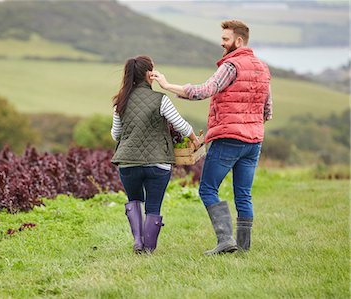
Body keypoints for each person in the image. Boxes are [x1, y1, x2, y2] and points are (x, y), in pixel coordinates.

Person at [151, 20, 272, 255]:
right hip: (254, 140)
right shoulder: (263, 68)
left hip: (228, 138)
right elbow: (268, 111)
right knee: (243, 193)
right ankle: (244, 248)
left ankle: (226, 239)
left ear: (238, 41)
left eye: (225, 39)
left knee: (207, 189)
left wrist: (166, 85)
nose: (222, 43)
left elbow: (203, 91)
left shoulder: (231, 66)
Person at [111, 55, 201, 254]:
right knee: (153, 206)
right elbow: (181, 125)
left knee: (134, 200)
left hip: (127, 162)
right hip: (157, 163)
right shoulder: (160, 99)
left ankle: (137, 241)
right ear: (148, 74)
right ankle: (149, 249)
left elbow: (115, 134)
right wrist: (194, 139)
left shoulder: (121, 101)